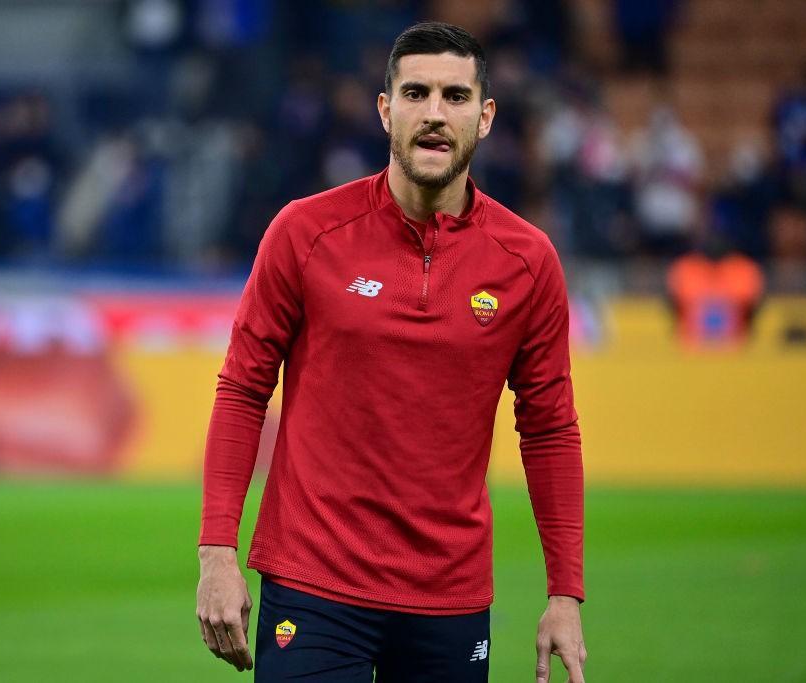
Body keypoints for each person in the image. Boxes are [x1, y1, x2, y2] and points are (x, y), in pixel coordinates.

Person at [197, 22, 586, 682]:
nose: (435, 113)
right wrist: (217, 553)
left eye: (456, 97)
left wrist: (564, 593)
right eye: (416, 92)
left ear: (486, 117)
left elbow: (549, 428)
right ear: (386, 110)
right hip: (312, 586)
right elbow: (242, 389)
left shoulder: (528, 261)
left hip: (448, 597)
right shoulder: (304, 233)